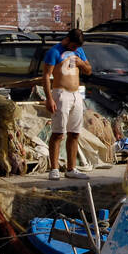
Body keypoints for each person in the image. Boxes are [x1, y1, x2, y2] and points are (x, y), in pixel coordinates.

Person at [42, 28, 92, 180]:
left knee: (75, 133)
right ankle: (54, 168)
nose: (75, 49)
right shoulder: (54, 51)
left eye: (77, 47)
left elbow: (89, 71)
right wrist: (49, 98)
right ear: (68, 40)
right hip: (61, 93)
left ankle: (71, 168)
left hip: (76, 94)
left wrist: (81, 63)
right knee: (58, 133)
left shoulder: (79, 52)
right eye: (74, 46)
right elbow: (46, 76)